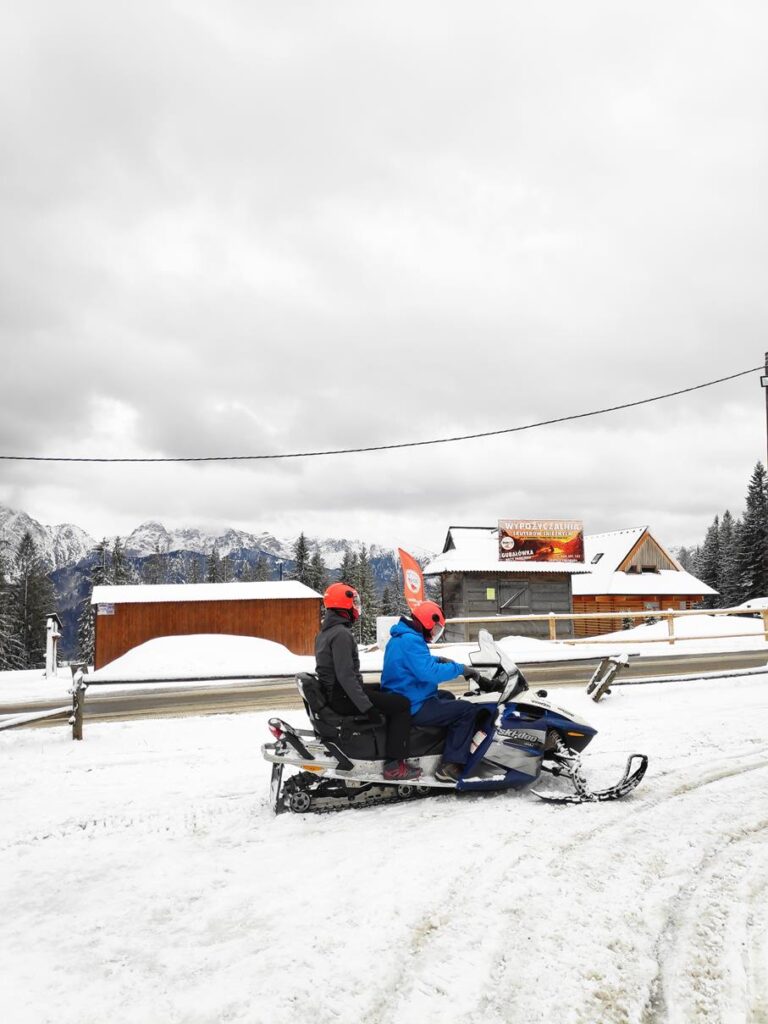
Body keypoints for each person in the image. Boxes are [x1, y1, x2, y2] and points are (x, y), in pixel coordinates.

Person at [315, 582, 422, 782]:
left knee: (386, 694)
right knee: (401, 705)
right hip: (342, 696)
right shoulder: (341, 634)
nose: (356, 606)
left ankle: (383, 748)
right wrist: (367, 707)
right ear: (344, 603)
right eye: (353, 601)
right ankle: (394, 766)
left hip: (337, 693)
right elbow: (346, 676)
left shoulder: (326, 631)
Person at [381, 600, 484, 783]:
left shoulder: (401, 637)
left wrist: (438, 659)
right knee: (467, 710)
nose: (435, 633)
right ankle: (450, 765)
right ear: (427, 621)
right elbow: (429, 673)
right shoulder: (412, 640)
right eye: (436, 628)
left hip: (406, 693)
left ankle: (436, 749)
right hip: (414, 703)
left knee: (449, 697)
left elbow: (416, 661)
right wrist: (461, 669)